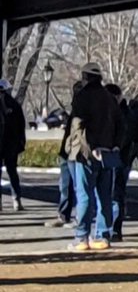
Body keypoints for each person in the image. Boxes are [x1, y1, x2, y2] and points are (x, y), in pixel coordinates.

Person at [65, 63, 123, 251]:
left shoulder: (82, 97)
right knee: (105, 197)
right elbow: (121, 125)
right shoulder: (110, 98)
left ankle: (82, 237)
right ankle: (102, 236)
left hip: (86, 155)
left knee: (84, 196)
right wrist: (114, 146)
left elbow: (78, 126)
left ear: (85, 76)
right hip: (107, 154)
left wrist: (87, 148)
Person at [44, 80, 86, 228]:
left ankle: (80, 218)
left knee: (79, 187)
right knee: (65, 185)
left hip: (76, 151)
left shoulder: (86, 109)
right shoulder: (75, 109)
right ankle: (63, 214)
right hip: (67, 151)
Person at [106, 83, 134, 240]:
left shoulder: (123, 115)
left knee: (116, 194)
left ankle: (115, 228)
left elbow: (124, 137)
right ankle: (111, 227)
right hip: (117, 158)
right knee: (113, 194)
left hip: (119, 159)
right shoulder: (119, 113)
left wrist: (112, 147)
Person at [0, 79, 26, 211]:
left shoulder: (14, 105)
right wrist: (21, 142)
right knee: (12, 172)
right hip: (11, 144)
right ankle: (16, 200)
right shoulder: (15, 104)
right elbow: (21, 126)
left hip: (5, 143)